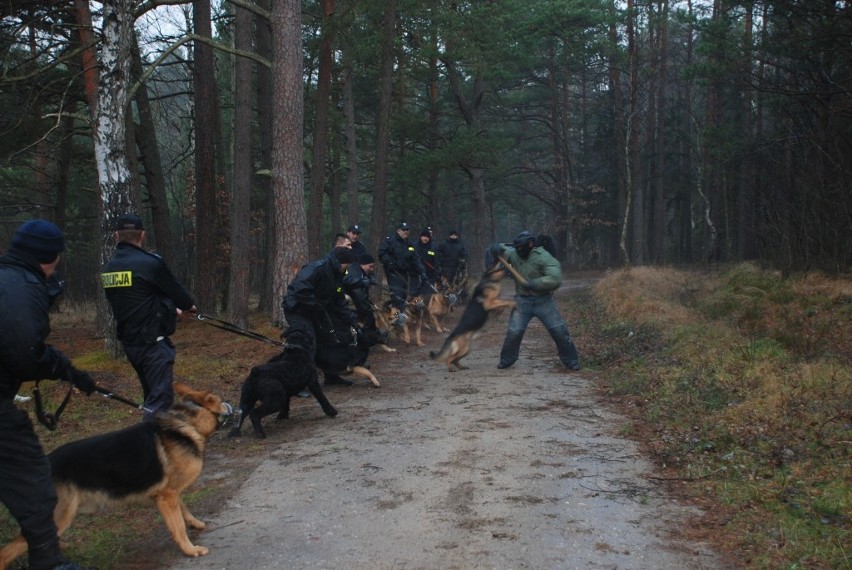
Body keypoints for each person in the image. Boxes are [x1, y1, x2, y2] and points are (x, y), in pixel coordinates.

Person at [1, 220, 97, 570]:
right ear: (51, 257)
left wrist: (65, 368)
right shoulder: (22, 286)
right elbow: (24, 352)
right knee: (34, 484)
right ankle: (48, 562)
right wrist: (60, 365)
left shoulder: (6, 277)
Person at [101, 213, 197, 421]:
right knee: (160, 401)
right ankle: (150, 447)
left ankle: (158, 440)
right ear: (142, 235)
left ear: (117, 235)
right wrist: (188, 307)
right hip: (152, 344)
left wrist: (172, 310)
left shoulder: (109, 268)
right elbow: (180, 296)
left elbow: (138, 299)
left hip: (131, 343)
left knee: (152, 395)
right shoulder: (150, 263)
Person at [491, 231, 580, 371]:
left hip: (543, 301)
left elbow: (555, 278)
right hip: (522, 301)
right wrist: (495, 248)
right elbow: (502, 248)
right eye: (517, 247)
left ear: (531, 244)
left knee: (559, 330)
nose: (519, 250)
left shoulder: (543, 257)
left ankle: (571, 360)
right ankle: (507, 359)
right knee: (514, 332)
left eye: (521, 247)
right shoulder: (514, 253)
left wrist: (535, 283)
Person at [282, 247, 360, 386]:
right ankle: (300, 382)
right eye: (347, 264)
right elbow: (301, 291)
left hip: (317, 311)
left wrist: (351, 319)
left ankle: (332, 376)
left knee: (329, 340)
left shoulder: (338, 275)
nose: (348, 268)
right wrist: (317, 307)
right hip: (298, 309)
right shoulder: (316, 269)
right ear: (340, 262)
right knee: (307, 342)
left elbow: (338, 300)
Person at [377, 222, 427, 313]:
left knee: (403, 297)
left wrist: (423, 272)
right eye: (404, 230)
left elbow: (416, 260)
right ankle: (397, 321)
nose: (406, 232)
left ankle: (400, 318)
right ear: (398, 231)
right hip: (393, 273)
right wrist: (389, 262)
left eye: (407, 230)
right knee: (397, 297)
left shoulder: (410, 244)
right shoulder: (390, 241)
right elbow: (381, 253)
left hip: (404, 274)